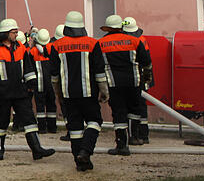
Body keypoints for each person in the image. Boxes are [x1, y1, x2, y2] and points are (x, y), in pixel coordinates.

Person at [0, 19, 54, 160]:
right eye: (14, 32)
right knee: (1, 122)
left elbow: (28, 69)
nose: (16, 35)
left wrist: (31, 85)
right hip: (3, 93)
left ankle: (37, 149)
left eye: (17, 32)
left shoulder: (21, 48)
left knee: (29, 120)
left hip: (21, 91)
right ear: (6, 33)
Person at [49, 11, 108, 171]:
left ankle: (79, 161)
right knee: (95, 121)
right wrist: (104, 91)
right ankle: (86, 151)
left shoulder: (56, 46)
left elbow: (54, 75)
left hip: (68, 94)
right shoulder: (93, 43)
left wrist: (58, 93)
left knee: (74, 128)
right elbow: (100, 71)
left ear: (67, 26)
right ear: (82, 26)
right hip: (89, 93)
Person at [97, 15, 150, 156]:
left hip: (113, 83)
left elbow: (97, 65)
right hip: (134, 82)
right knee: (134, 109)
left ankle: (121, 145)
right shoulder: (135, 41)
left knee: (119, 112)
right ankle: (134, 137)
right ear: (121, 27)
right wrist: (146, 79)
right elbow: (146, 62)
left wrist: (100, 88)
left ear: (107, 28)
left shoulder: (100, 43)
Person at [121, 17, 154, 144]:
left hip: (136, 76)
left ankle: (138, 133)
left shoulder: (132, 41)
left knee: (135, 105)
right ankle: (143, 134)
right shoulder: (142, 39)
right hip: (143, 74)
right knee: (141, 104)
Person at [29, 29, 58, 133]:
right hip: (50, 82)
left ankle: (41, 128)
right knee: (51, 104)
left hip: (39, 83)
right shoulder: (52, 48)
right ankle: (52, 127)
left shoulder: (32, 51)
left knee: (40, 106)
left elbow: (30, 67)